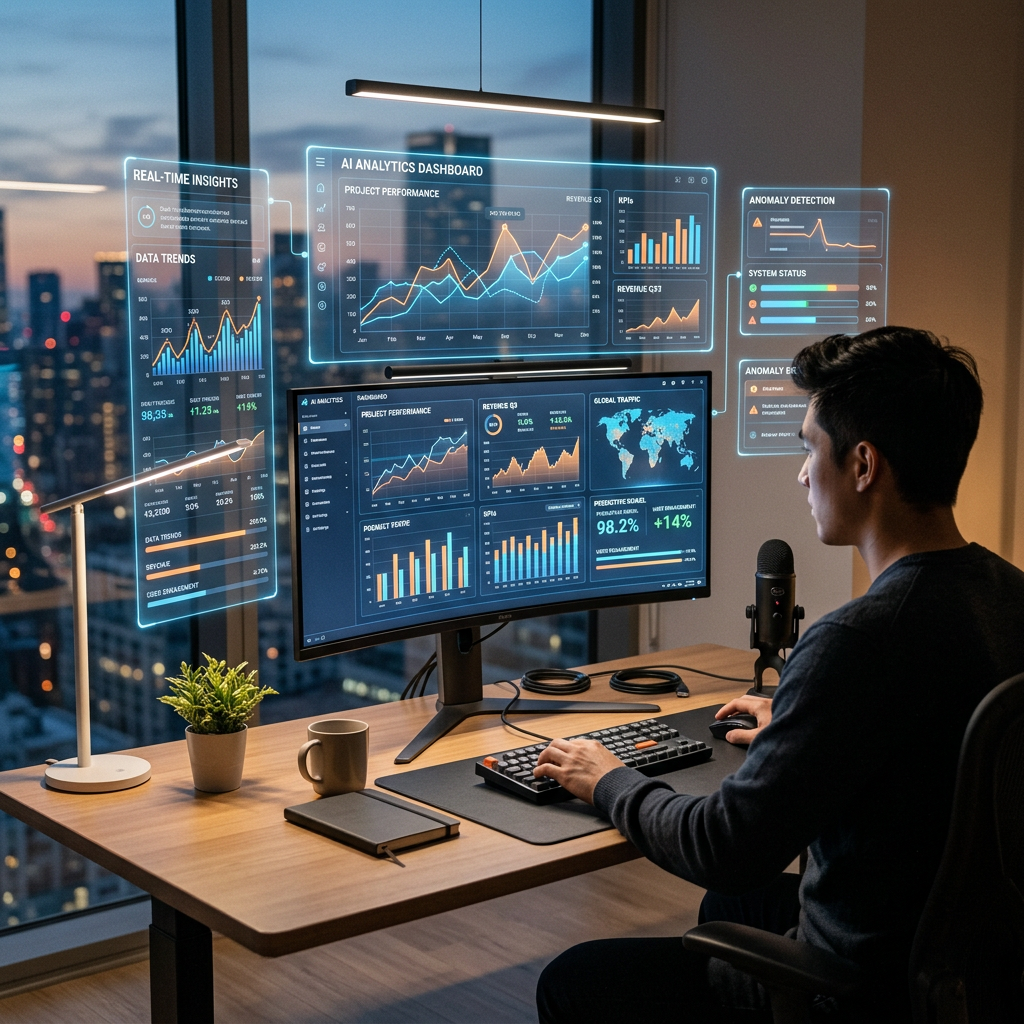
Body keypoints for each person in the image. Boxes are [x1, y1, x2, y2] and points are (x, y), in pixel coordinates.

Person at [534, 326, 1024, 1023]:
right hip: (966, 973)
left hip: (858, 985)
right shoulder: (1010, 597)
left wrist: (606, 777)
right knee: (736, 908)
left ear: (862, 465)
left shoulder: (857, 641)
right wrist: (800, 723)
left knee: (573, 979)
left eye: (808, 448)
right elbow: (930, 744)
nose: (801, 474)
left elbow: (722, 845)